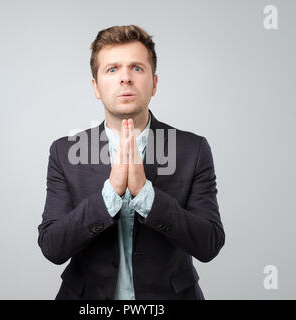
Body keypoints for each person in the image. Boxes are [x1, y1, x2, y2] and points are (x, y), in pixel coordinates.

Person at [37, 25, 225, 300]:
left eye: (136, 68)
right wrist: (110, 192)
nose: (125, 78)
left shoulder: (192, 150)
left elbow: (208, 244)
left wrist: (146, 195)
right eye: (112, 69)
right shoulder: (65, 153)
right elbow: (52, 247)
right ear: (96, 87)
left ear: (154, 83)